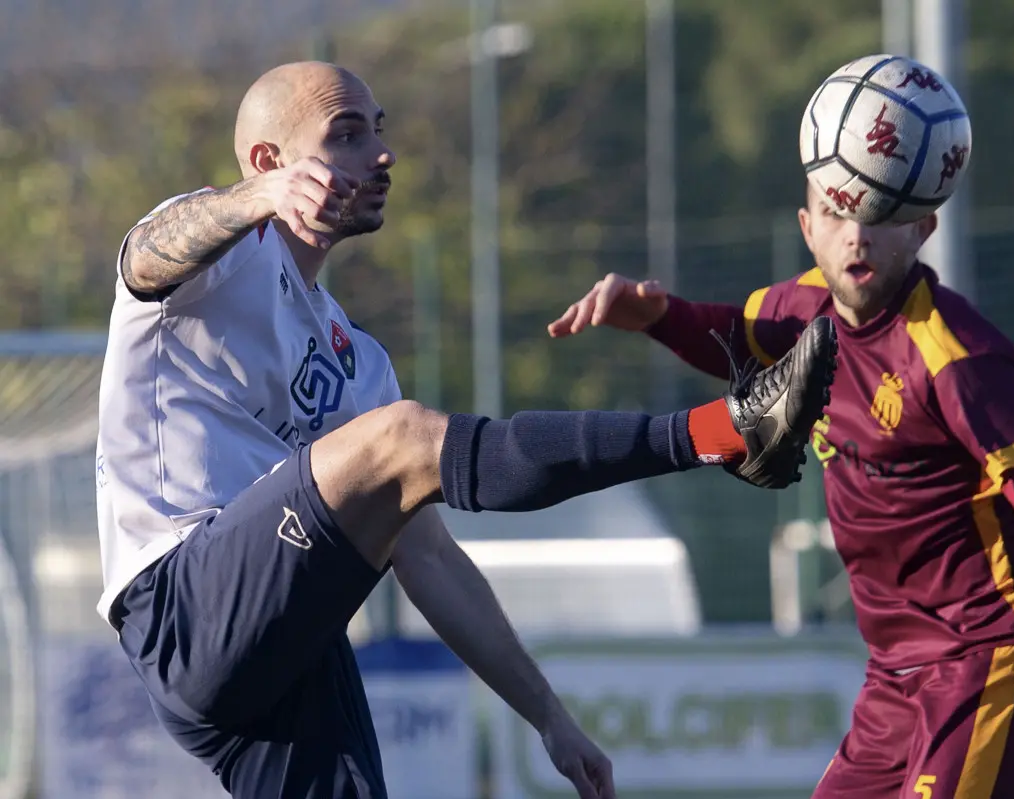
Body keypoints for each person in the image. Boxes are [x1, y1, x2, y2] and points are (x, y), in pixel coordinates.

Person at [96, 61, 839, 799]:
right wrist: (257, 197)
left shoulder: (358, 362)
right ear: (268, 159)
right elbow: (144, 253)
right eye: (347, 134)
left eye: (378, 132)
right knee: (404, 437)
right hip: (179, 602)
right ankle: (723, 431)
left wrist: (549, 717)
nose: (381, 154)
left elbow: (430, 559)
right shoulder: (216, 251)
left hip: (283, 643)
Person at [549, 179, 1014, 799]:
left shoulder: (957, 357)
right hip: (895, 676)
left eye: (879, 216)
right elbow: (744, 338)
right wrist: (658, 318)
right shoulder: (801, 311)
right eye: (836, 212)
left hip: (994, 657)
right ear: (806, 227)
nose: (857, 234)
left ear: (923, 230)